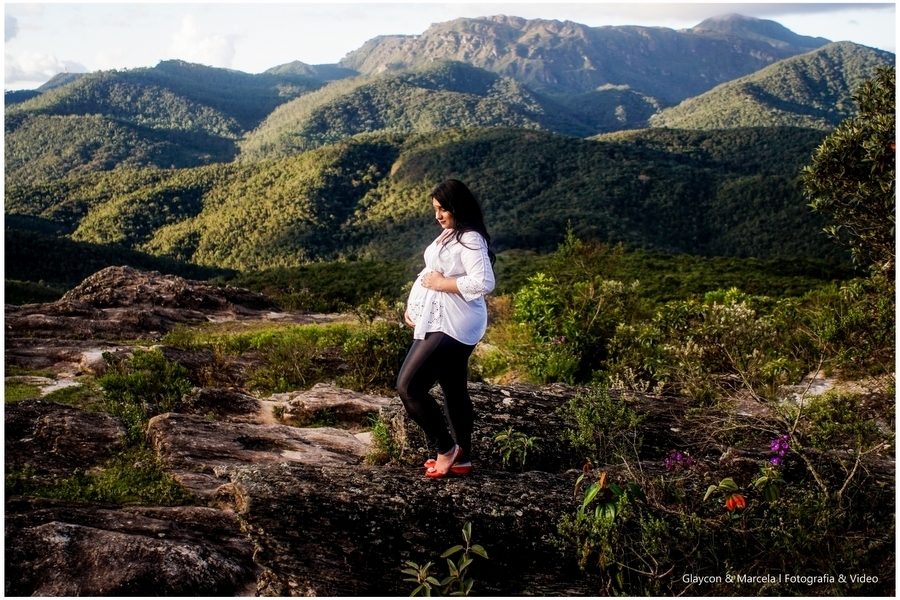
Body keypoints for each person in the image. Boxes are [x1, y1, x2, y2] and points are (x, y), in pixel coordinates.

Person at [397, 179, 496, 478]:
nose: (438, 216)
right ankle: (462, 457)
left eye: (443, 210)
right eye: (435, 210)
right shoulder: (451, 234)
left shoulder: (470, 239)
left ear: (458, 208)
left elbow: (483, 283)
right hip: (439, 317)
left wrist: (441, 284)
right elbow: (429, 272)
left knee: (409, 387)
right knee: (453, 388)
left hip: (454, 322)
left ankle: (445, 448)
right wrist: (414, 306)